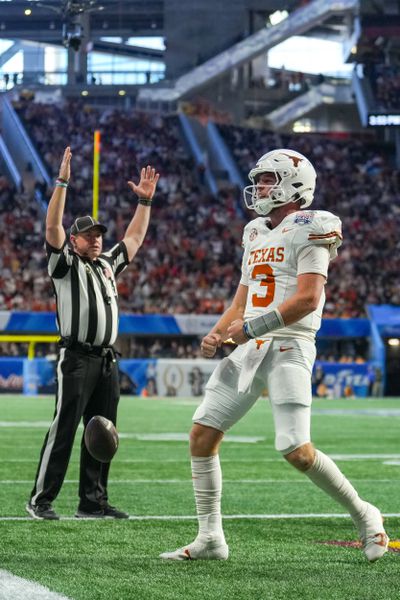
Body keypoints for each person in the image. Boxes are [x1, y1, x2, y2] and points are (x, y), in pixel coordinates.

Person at [160, 148, 389, 562]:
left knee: (295, 447)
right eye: (260, 180)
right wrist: (217, 333)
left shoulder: (313, 224)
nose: (260, 187)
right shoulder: (254, 232)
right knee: (202, 434)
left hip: (289, 344)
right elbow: (241, 301)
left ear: (294, 185)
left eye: (268, 179)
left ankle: (366, 514)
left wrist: (249, 329)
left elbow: (307, 298)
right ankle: (211, 538)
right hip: (252, 345)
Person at [27, 146, 159, 520]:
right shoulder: (65, 264)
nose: (96, 239)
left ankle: (93, 501)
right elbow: (52, 227)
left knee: (102, 431)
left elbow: (133, 240)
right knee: (65, 428)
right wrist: (63, 181)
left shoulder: (105, 264)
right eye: (88, 235)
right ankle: (41, 499)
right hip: (77, 356)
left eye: (99, 234)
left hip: (106, 359)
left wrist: (144, 203)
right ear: (74, 241)